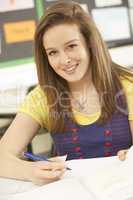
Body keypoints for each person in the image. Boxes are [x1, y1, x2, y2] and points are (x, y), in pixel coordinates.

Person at [0, 1, 133, 185]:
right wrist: (29, 170)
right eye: (53, 52)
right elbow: (2, 157)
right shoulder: (43, 96)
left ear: (90, 44)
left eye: (71, 46)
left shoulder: (128, 86)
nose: (64, 60)